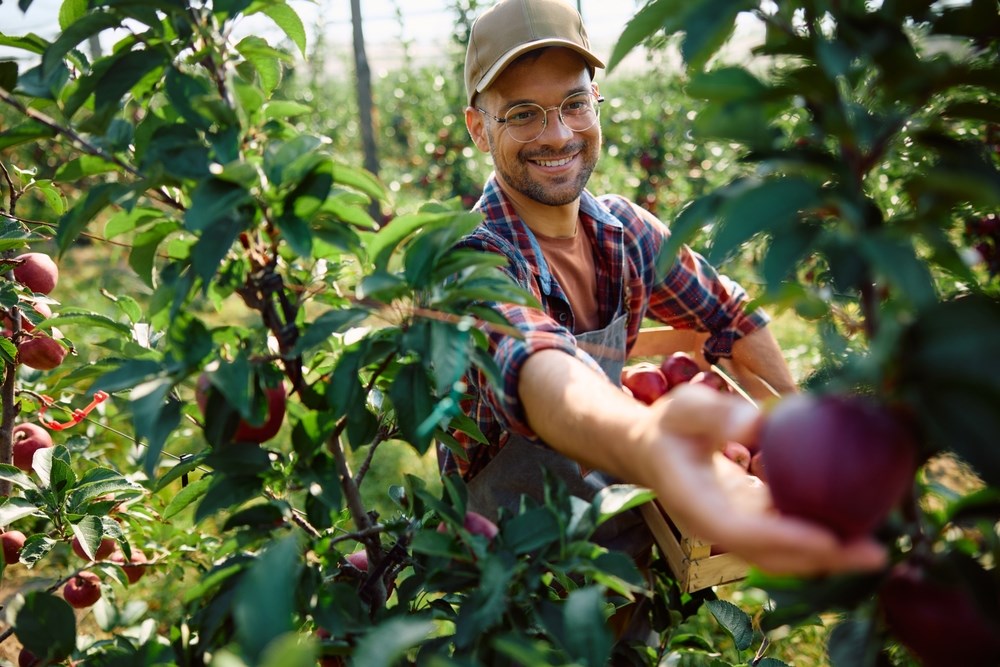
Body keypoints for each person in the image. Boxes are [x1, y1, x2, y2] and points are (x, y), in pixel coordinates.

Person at [439, 0, 886, 578]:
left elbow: (731, 317)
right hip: (512, 568)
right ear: (479, 128)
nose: (557, 134)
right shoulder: (471, 260)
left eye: (575, 103)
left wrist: (792, 435)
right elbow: (536, 365)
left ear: (596, 104)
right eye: (523, 113)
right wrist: (649, 441)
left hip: (629, 531)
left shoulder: (625, 233)